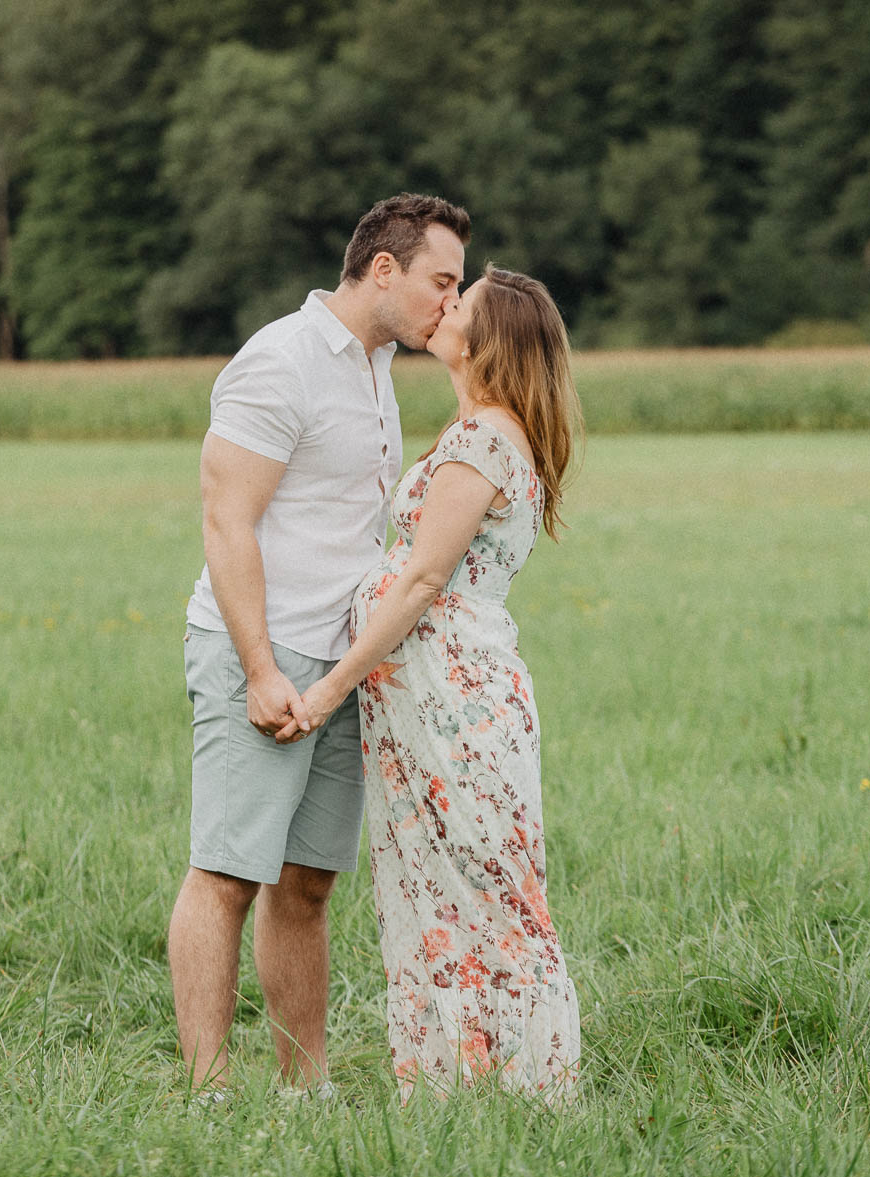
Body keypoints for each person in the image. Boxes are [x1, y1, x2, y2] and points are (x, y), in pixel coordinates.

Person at [168, 194, 471, 1099]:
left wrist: (344, 675)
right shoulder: (281, 361)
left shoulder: (378, 365)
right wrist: (260, 670)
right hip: (263, 649)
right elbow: (228, 523)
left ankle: (309, 1088)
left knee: (305, 885)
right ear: (384, 268)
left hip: (344, 668)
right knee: (226, 873)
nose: (449, 305)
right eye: (440, 282)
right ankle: (209, 1094)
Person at [285, 265, 583, 1102]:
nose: (444, 305)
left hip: (454, 701)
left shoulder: (487, 439)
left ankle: (528, 1090)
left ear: (490, 341)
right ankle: (457, 1087)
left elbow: (421, 583)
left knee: (483, 887)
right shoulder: (474, 430)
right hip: (423, 701)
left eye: (464, 303)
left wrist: (332, 685)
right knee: (432, 885)